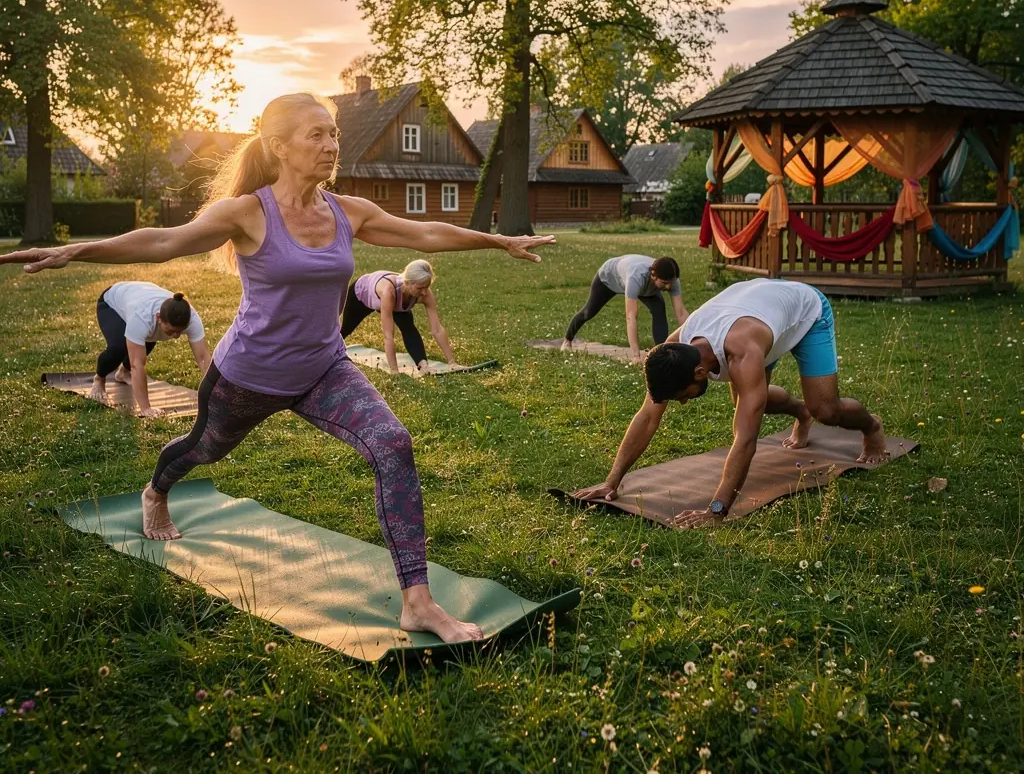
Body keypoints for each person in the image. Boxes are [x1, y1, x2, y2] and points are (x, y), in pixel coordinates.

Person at [1, 91, 554, 643]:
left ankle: (417, 602)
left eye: (333, 134)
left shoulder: (346, 211)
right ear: (277, 146)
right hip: (247, 375)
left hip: (324, 371)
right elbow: (167, 240)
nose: (331, 145)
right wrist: (77, 251)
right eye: (316, 135)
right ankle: (155, 492)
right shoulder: (248, 212)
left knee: (393, 442)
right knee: (203, 448)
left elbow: (426, 233)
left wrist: (498, 239)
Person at [574, 278, 886, 528]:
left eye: (681, 396)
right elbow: (647, 416)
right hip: (755, 307)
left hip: (805, 311)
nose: (681, 404)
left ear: (700, 372)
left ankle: (871, 428)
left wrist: (717, 510)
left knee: (825, 410)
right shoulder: (673, 349)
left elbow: (746, 438)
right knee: (751, 401)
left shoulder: (743, 354)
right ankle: (800, 413)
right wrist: (611, 480)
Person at [90, 282, 212, 417]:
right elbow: (137, 365)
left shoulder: (191, 318)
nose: (176, 337)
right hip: (111, 303)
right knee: (118, 348)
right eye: (171, 331)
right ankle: (99, 379)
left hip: (139, 297)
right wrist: (146, 408)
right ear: (159, 317)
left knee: (149, 337)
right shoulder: (142, 317)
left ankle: (123, 373)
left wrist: (218, 393)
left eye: (180, 331)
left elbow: (203, 358)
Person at [341, 260, 461, 375]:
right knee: (345, 329)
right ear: (407, 283)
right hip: (361, 294)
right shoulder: (389, 292)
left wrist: (452, 362)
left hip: (396, 299)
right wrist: (394, 371)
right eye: (420, 288)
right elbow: (388, 336)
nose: (425, 292)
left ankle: (423, 365)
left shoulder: (424, 293)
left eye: (427, 287)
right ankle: (328, 354)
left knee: (408, 327)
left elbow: (437, 329)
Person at [562, 254, 687, 363]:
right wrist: (636, 356)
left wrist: (692, 339)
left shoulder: (671, 279)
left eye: (671, 282)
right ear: (653, 275)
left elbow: (681, 312)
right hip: (609, 278)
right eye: (665, 283)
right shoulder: (636, 276)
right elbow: (630, 316)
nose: (669, 286)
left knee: (659, 310)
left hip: (645, 287)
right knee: (588, 312)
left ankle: (660, 353)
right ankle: (567, 340)